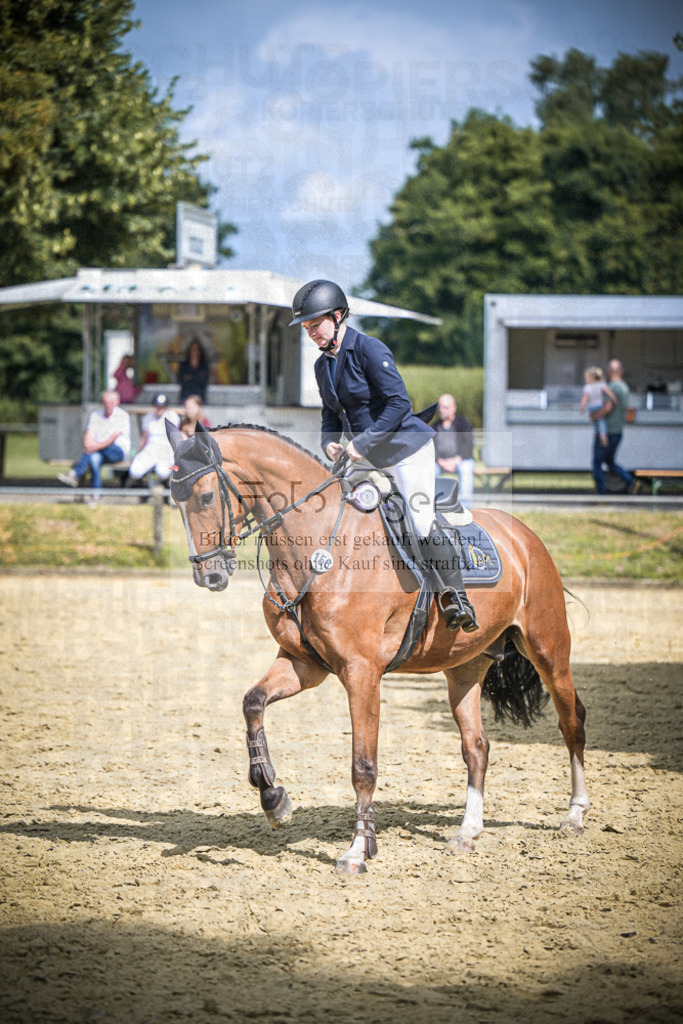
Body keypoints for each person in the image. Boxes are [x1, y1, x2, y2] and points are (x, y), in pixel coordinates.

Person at [290, 279, 478, 634]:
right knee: (338, 513)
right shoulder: (322, 366)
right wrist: (329, 442)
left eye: (315, 324)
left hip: (407, 450)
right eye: (306, 327)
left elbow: (398, 405)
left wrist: (361, 444)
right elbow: (331, 415)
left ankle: (455, 595)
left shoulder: (370, 350)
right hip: (367, 457)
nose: (310, 332)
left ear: (338, 316)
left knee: (420, 523)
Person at [58, 390, 131, 491]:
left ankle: (75, 473)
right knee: (94, 459)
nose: (107, 405)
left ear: (116, 402)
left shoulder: (122, 416)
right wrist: (88, 445)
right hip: (100, 449)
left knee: (93, 452)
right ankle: (96, 493)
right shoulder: (96, 415)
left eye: (110, 402)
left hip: (118, 452)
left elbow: (111, 440)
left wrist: (92, 447)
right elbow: (89, 433)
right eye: (105, 402)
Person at [590, 359, 635, 495]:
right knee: (610, 461)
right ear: (621, 371)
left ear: (609, 371)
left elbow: (607, 408)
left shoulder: (612, 388)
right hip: (618, 432)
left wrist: (595, 416)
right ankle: (631, 481)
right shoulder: (625, 387)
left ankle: (601, 494)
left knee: (597, 463)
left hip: (606, 432)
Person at [126, 394, 181, 485]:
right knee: (135, 471)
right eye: (157, 406)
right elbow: (144, 437)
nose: (159, 409)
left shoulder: (172, 416)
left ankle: (164, 487)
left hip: (166, 449)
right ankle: (144, 485)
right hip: (151, 448)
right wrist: (139, 451)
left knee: (163, 473)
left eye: (162, 407)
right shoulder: (148, 417)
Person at [433, 393, 476, 508]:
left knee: (466, 469)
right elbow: (431, 448)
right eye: (440, 407)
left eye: (445, 407)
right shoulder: (435, 426)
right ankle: (435, 505)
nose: (441, 410)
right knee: (430, 471)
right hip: (440, 462)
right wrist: (440, 461)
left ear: (453, 408)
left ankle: (465, 508)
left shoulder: (463, 423)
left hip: (461, 461)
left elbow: (468, 445)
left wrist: (455, 460)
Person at [580, 366, 615, 448]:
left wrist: (582, 407)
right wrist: (614, 398)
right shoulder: (601, 384)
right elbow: (609, 392)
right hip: (599, 405)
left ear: (592, 378)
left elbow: (585, 398)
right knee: (601, 421)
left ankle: (596, 433)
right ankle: (603, 434)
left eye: (587, 378)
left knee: (596, 421)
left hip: (592, 407)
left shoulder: (587, 387)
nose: (585, 380)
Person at [177, 338, 210, 404]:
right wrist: (197, 377)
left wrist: (190, 378)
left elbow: (204, 382)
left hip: (200, 398)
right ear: (189, 351)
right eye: (192, 349)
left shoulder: (204, 366)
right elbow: (181, 380)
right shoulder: (184, 365)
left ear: (200, 351)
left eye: (196, 349)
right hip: (185, 397)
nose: (194, 351)